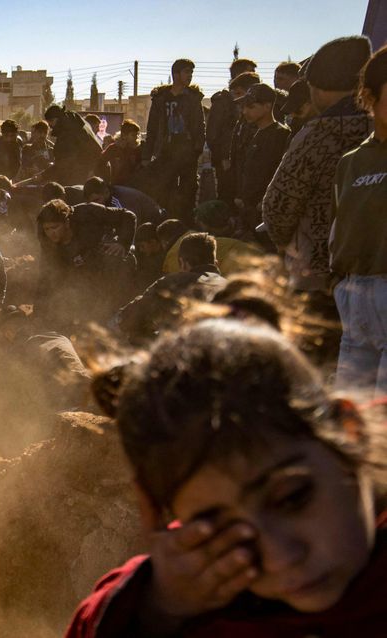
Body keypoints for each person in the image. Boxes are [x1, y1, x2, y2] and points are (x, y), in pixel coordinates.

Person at [66, 319, 386, 638]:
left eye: (292, 497)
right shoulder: (208, 602)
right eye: (224, 531)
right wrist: (160, 610)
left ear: (349, 433)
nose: (280, 558)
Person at [263, 35, 373, 293]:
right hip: (374, 272)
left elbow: (278, 206)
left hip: (320, 271)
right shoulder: (378, 129)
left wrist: (284, 244)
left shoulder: (318, 136)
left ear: (320, 87)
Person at [330, 45, 387, 399]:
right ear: (369, 97)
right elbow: (340, 229)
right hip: (355, 298)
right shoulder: (351, 162)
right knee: (351, 424)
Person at [36, 198, 136, 325]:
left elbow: (128, 216)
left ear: (67, 223)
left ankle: (120, 312)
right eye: (47, 229)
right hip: (82, 270)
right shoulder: (46, 240)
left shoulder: (88, 212)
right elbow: (46, 273)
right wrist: (38, 313)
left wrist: (122, 243)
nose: (51, 233)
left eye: (55, 227)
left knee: (117, 260)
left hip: (108, 260)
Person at [117, 232, 227, 344]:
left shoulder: (173, 282)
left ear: (182, 262)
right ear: (216, 263)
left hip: (186, 353)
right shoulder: (230, 286)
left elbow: (127, 319)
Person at [143, 58, 206, 221]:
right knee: (165, 188)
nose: (190, 76)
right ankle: (165, 221)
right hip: (166, 149)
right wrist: (146, 155)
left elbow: (200, 126)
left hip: (187, 149)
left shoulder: (193, 98)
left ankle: (186, 222)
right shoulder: (161, 98)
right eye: (187, 72)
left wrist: (196, 149)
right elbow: (152, 128)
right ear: (176, 74)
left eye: (191, 72)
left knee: (188, 189)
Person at [233, 83, 291, 237]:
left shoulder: (280, 135)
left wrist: (266, 201)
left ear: (267, 106)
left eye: (251, 107)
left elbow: (280, 172)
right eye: (244, 107)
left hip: (265, 210)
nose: (245, 112)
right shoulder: (257, 133)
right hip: (249, 208)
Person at [162, 200, 264, 276]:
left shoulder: (242, 240)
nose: (198, 225)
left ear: (210, 224)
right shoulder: (238, 230)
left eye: (200, 222)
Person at [207, 58, 258, 203]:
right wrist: (224, 156)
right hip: (227, 162)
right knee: (227, 196)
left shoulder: (254, 100)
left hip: (245, 159)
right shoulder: (223, 101)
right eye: (250, 72)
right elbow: (212, 134)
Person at [43, 104, 102, 186]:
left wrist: (44, 175)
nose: (50, 126)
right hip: (87, 171)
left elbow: (64, 162)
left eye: (50, 122)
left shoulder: (68, 132)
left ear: (55, 119)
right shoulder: (74, 123)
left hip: (78, 175)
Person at [83, 176, 163, 226]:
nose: (95, 204)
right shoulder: (107, 199)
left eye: (97, 200)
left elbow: (131, 223)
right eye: (92, 202)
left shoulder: (120, 200)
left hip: (156, 223)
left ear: (106, 193)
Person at [96, 119, 142, 186]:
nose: (136, 138)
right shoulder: (113, 149)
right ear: (124, 135)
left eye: (137, 135)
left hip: (134, 186)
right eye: (133, 135)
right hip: (116, 185)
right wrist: (106, 180)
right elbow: (100, 163)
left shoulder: (137, 150)